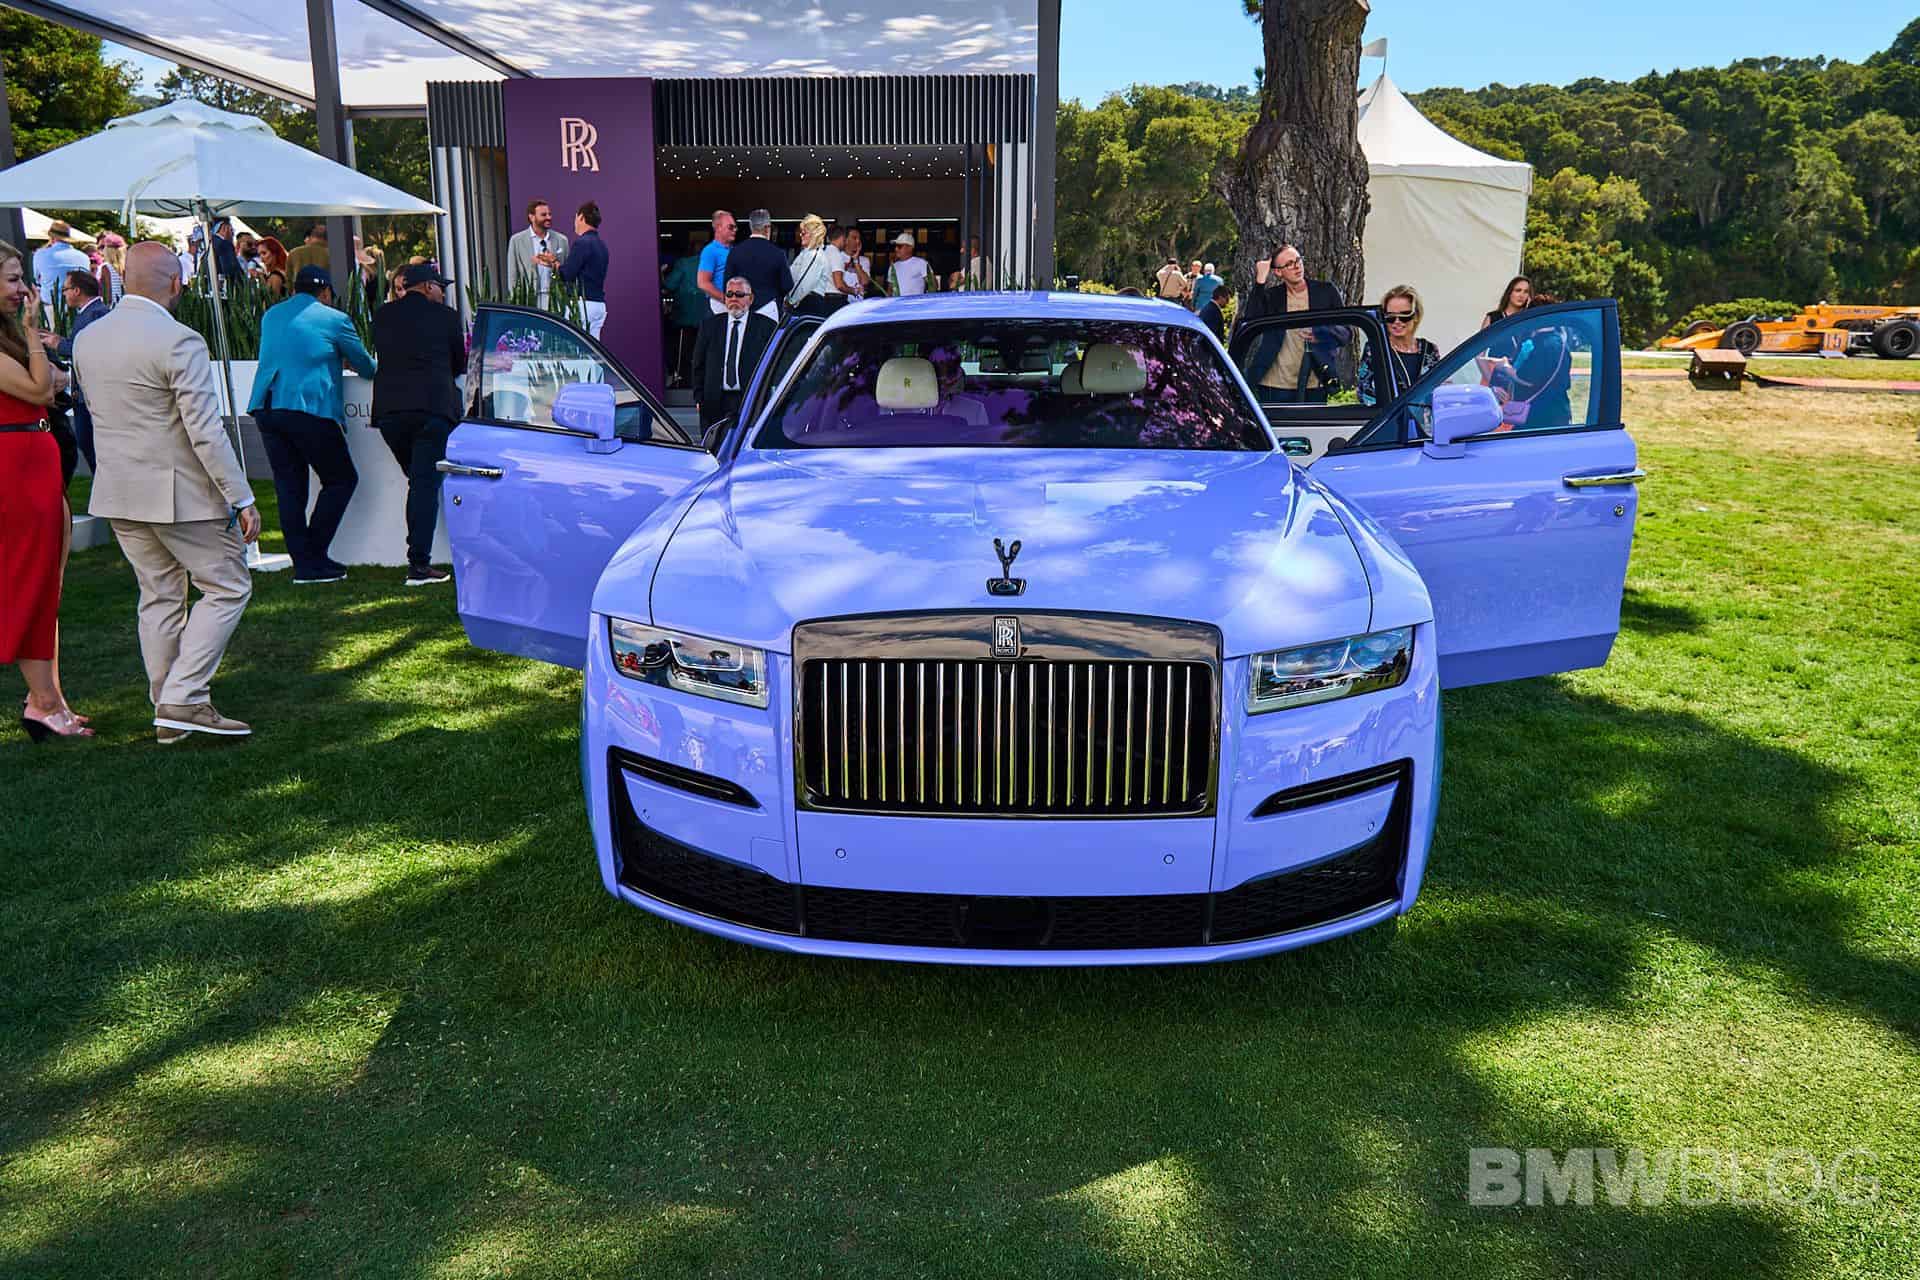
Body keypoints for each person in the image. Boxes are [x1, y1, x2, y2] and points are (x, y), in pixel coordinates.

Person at [73, 242, 261, 742]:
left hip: (117, 490)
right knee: (228, 586)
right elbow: (205, 431)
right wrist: (240, 495)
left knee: (158, 595)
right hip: (179, 493)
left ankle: (168, 710)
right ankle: (183, 698)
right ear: (177, 283)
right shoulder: (180, 339)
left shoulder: (88, 339)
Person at [1, 240, 92, 740]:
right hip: (15, 465)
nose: (23, 290)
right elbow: (41, 388)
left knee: (47, 582)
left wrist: (33, 347)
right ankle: (42, 702)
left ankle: (49, 697)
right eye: (13, 279)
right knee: (30, 581)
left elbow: (55, 381)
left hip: (38, 455)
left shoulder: (9, 334)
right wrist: (35, 333)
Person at [249, 265, 376, 584]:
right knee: (341, 479)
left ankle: (304, 564)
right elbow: (366, 366)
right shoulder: (335, 319)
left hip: (266, 406)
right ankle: (313, 556)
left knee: (290, 488)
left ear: (294, 290)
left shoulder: (271, 315)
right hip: (307, 407)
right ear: (325, 293)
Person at [370, 262, 464, 587]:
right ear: (426, 286)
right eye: (440, 287)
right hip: (431, 410)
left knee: (418, 482)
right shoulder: (447, 317)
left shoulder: (382, 315)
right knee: (424, 486)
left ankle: (419, 560)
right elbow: (459, 363)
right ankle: (419, 566)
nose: (443, 293)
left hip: (389, 414)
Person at [1239, 244, 1346, 403]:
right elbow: (1250, 321)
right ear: (1278, 272)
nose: (1297, 266)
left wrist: (1321, 334)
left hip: (1315, 382)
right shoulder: (1272, 296)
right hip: (1274, 384)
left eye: (1298, 260)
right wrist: (1260, 280)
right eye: (1289, 264)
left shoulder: (1326, 291)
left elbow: (1345, 332)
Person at [44, 269, 110, 473]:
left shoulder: (96, 313)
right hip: (84, 394)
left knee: (90, 444)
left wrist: (59, 344)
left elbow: (89, 349)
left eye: (65, 289)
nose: (63, 294)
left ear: (77, 290)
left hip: (91, 394)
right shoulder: (91, 312)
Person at [691, 277, 774, 433]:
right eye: (729, 294)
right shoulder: (710, 326)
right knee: (714, 445)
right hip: (714, 401)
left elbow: (774, 365)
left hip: (750, 400)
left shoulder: (766, 327)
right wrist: (699, 398)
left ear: (751, 298)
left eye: (739, 294)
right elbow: (698, 363)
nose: (734, 298)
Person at [1357, 284, 1440, 405]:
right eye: (1390, 317)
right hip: (1389, 416)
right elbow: (1364, 392)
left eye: (1404, 316)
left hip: (1423, 416)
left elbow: (1438, 390)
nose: (1397, 322)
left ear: (1416, 316)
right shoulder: (1375, 348)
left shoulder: (1430, 350)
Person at [725, 210, 792, 321]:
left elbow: (727, 283)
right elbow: (787, 285)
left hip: (743, 308)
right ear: (767, 228)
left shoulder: (735, 251)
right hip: (769, 308)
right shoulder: (778, 253)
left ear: (751, 226)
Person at [558, 200, 610, 338]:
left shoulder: (582, 243)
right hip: (598, 305)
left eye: (575, 218)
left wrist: (554, 264)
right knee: (593, 347)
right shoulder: (602, 245)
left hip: (582, 305)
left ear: (581, 217)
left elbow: (567, 274)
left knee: (575, 347)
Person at [507, 200, 567, 308]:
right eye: (543, 215)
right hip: (529, 299)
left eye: (549, 214)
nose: (548, 217)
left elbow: (567, 270)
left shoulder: (561, 240)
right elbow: (513, 274)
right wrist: (515, 300)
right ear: (531, 217)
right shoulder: (517, 240)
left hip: (556, 299)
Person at [32, 222, 90, 324]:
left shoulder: (40, 254)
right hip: (79, 308)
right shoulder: (84, 257)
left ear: (52, 237)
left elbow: (36, 278)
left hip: (51, 309)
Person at [786, 214, 841, 317]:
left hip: (808, 304)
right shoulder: (806, 253)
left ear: (814, 234)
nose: (800, 235)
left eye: (804, 232)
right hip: (804, 303)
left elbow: (804, 283)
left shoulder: (814, 255)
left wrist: (789, 301)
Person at [697, 209, 737, 314]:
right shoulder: (710, 251)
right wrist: (725, 299)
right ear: (718, 227)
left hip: (735, 306)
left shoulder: (734, 250)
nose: (735, 230)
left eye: (735, 227)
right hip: (719, 306)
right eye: (731, 227)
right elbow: (703, 283)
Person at [834, 227, 872, 301]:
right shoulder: (837, 257)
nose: (858, 241)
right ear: (845, 240)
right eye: (854, 238)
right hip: (841, 301)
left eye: (859, 238)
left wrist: (856, 260)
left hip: (858, 303)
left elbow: (864, 282)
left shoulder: (864, 260)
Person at [886, 232, 929, 297]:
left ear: (910, 248)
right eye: (896, 246)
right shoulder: (893, 267)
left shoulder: (921, 263)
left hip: (914, 303)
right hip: (896, 303)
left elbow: (933, 285)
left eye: (899, 246)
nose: (896, 249)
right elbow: (890, 290)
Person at [209, 217, 243, 286]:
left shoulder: (210, 243)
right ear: (225, 227)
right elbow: (231, 269)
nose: (233, 233)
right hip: (229, 286)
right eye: (231, 229)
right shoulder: (225, 244)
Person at [95, 233, 127, 304]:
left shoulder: (105, 267)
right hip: (126, 305)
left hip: (113, 306)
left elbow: (107, 294)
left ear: (108, 250)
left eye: (102, 247)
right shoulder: (127, 266)